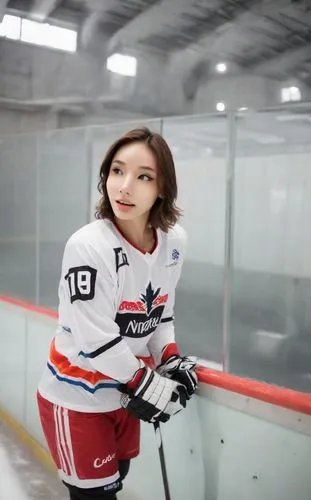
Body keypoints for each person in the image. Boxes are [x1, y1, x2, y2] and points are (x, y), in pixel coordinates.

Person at [36, 126, 198, 500]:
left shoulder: (174, 242)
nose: (125, 187)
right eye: (117, 171)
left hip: (125, 396)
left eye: (144, 177)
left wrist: (168, 359)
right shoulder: (88, 246)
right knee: (95, 497)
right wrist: (150, 385)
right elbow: (96, 340)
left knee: (117, 480)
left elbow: (161, 313)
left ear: (162, 188)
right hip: (78, 397)